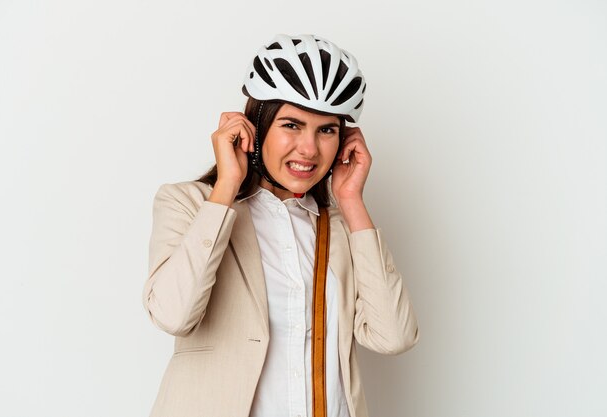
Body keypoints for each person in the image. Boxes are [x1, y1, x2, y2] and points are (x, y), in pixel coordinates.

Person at [143, 34, 419, 417]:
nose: (309, 149)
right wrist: (225, 187)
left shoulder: (341, 226)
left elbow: (393, 336)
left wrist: (352, 201)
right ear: (255, 126)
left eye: (326, 130)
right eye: (292, 124)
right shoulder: (189, 204)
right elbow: (173, 314)